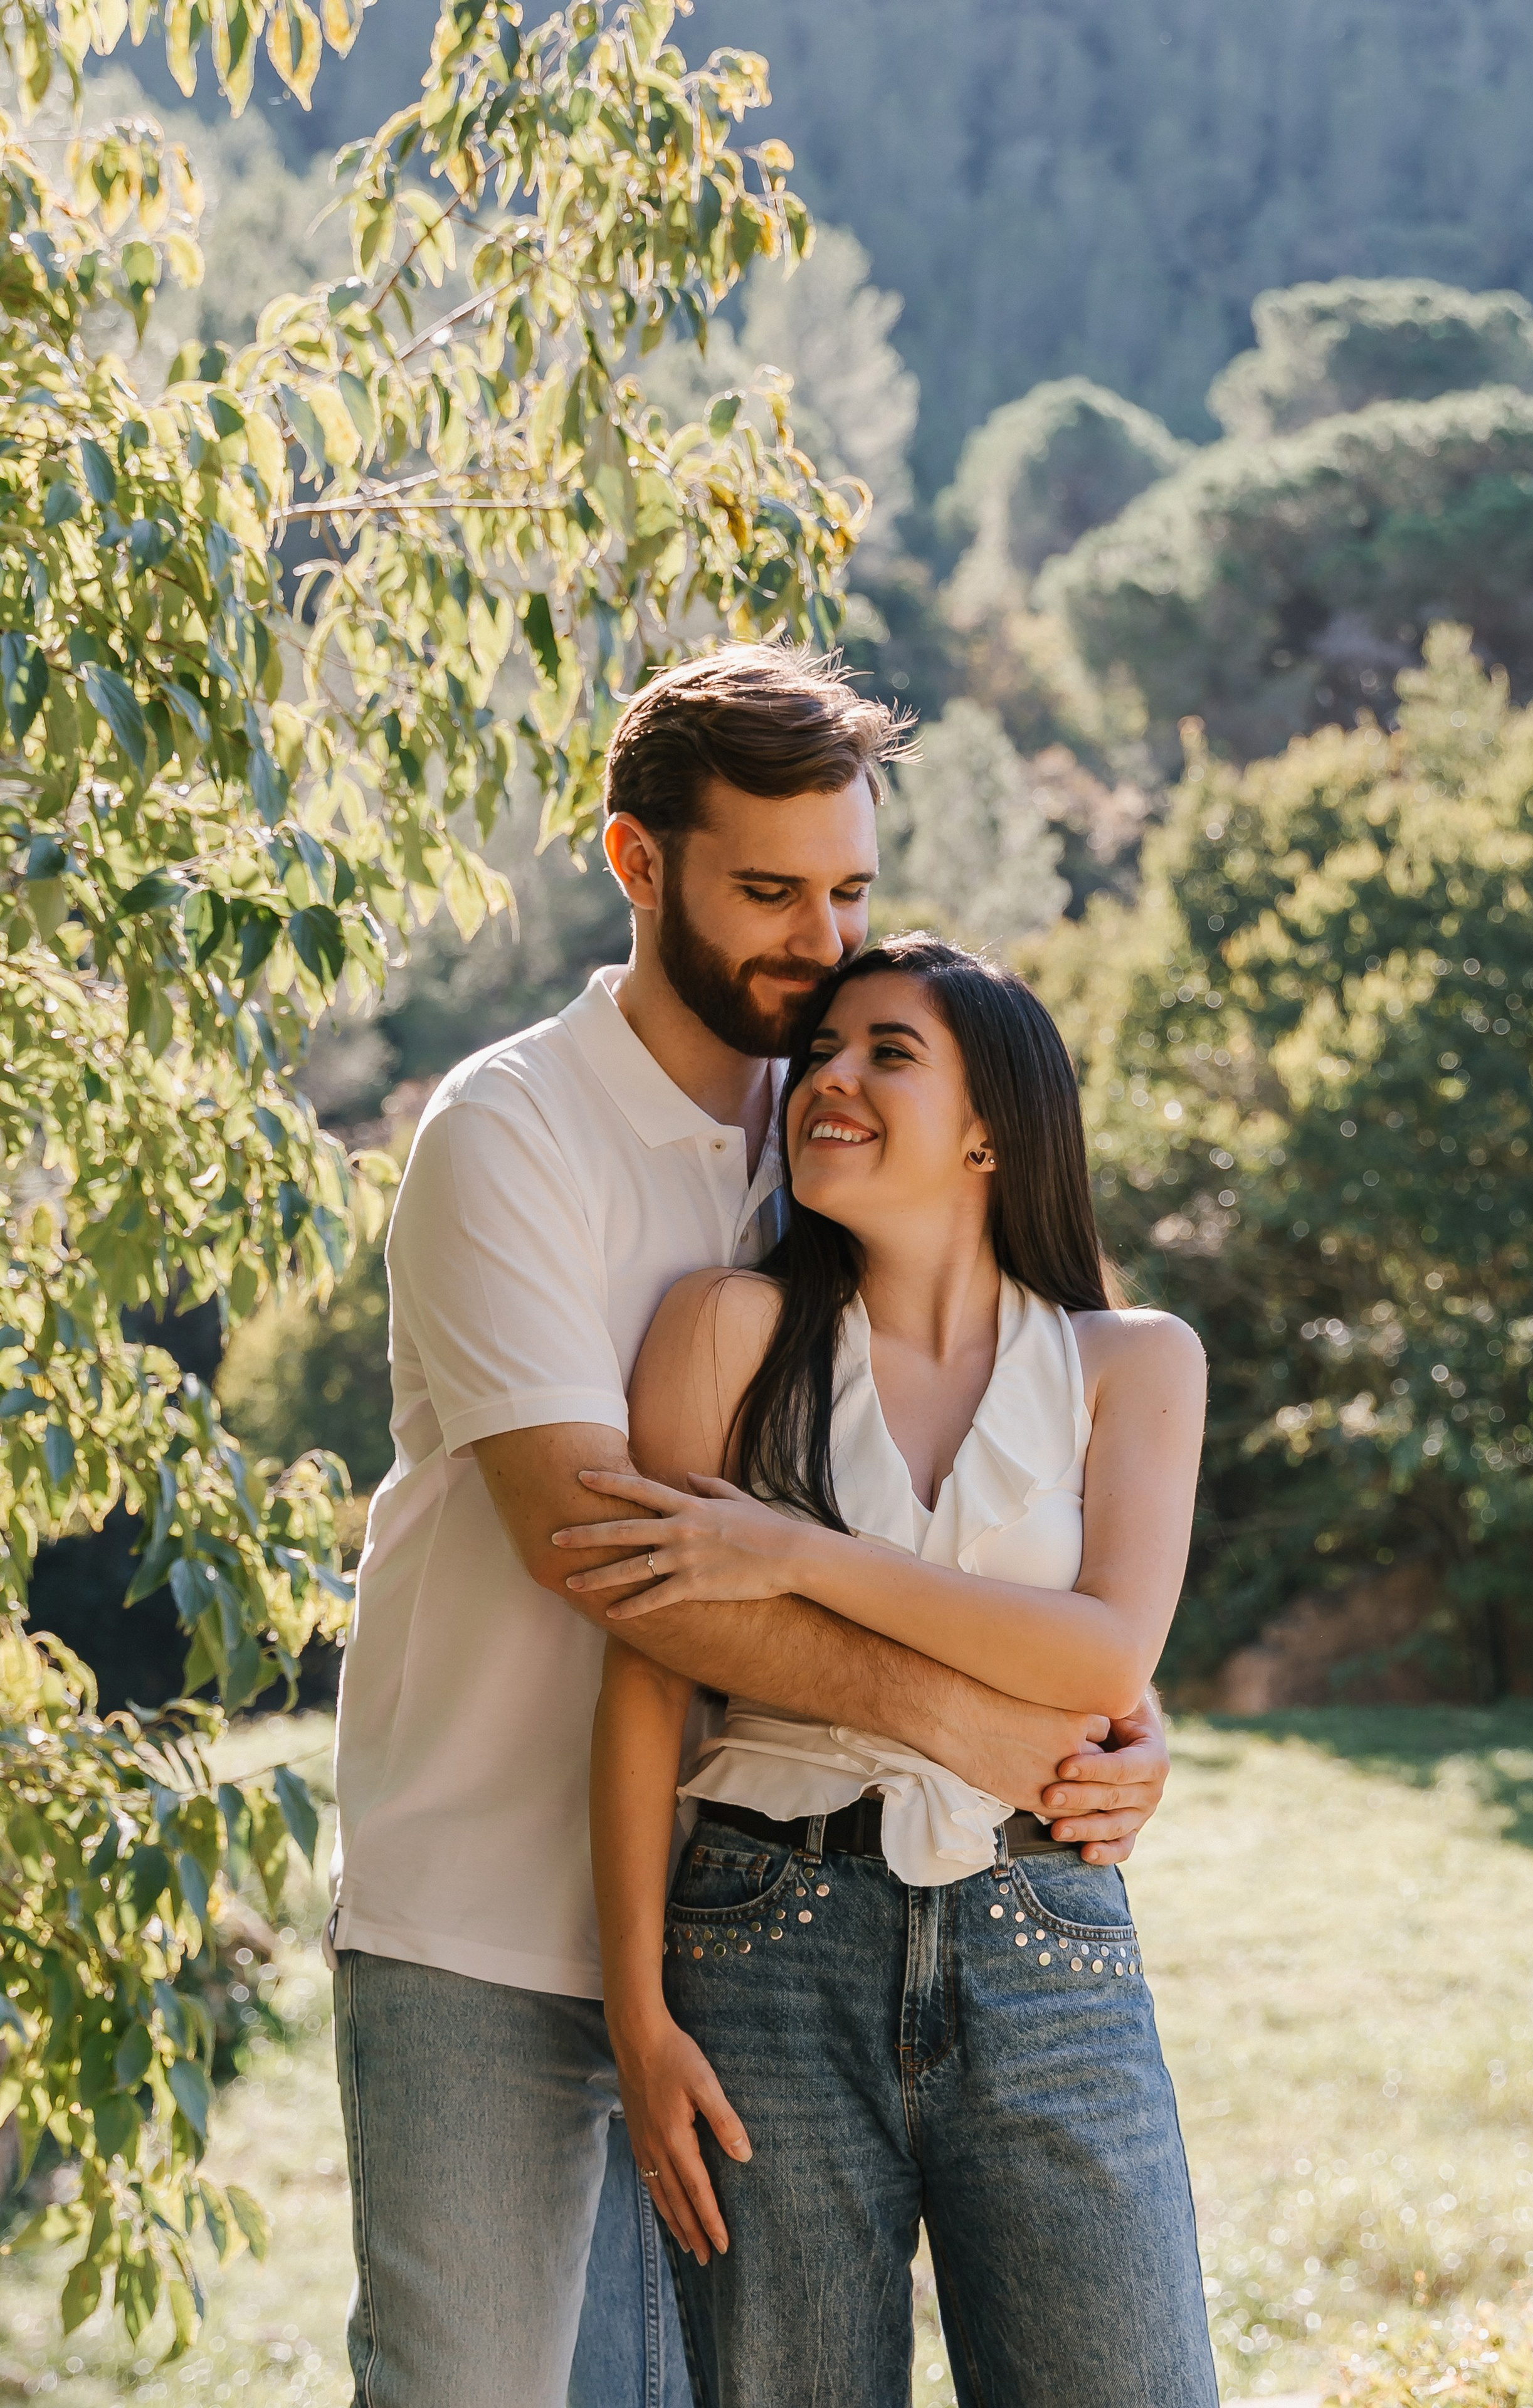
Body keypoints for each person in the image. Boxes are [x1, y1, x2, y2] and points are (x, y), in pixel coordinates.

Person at [327, 648, 1175, 2408]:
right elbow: (616, 1564)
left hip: (746, 1921)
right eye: (770, 893)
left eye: (850, 891)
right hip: (489, 1916)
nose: (818, 940)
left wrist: (1107, 1704)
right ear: (638, 868)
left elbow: (987, 1474)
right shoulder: (513, 1134)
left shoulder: (835, 1136)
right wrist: (1004, 1727)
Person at [577, 933, 1216, 2408]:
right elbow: (647, 1674)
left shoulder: (1132, 1364)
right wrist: (637, 2010)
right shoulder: (723, 1331)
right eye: (817, 1055)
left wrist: (791, 1555)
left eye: (885, 1052)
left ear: (993, 1124)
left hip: (1043, 1940)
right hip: (756, 1945)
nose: (828, 1081)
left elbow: (1105, 1653)